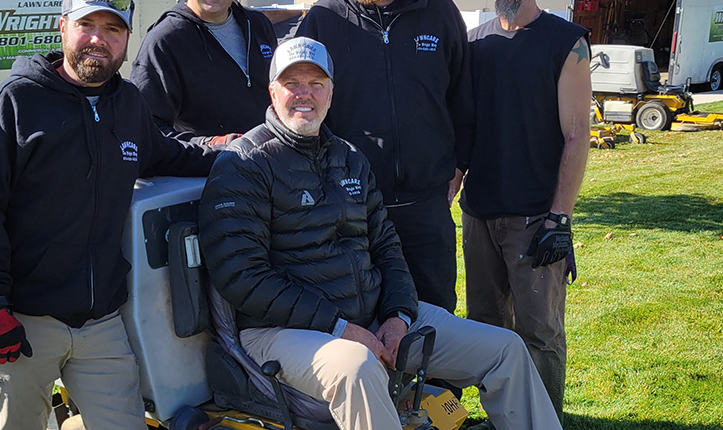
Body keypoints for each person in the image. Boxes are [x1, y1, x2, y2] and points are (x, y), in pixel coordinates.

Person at [199, 37, 562, 430]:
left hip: (372, 319)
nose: (305, 94)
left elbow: (387, 247)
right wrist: (341, 328)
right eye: (293, 83)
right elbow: (241, 276)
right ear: (273, 92)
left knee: (504, 348)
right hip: (280, 333)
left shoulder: (349, 158)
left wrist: (399, 315)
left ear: (331, 94)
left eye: (316, 83)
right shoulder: (244, 164)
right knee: (357, 366)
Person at [0, 0, 218, 430]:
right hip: (23, 318)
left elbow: (169, 154)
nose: (98, 39)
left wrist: (230, 152)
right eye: (87, 25)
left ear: (127, 39)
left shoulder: (127, 104)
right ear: (63, 28)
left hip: (100, 323)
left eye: (113, 29)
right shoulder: (15, 102)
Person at [296, 0, 472, 312]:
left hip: (427, 204)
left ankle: (434, 381)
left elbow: (463, 97)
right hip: (351, 207)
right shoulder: (323, 19)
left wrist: (459, 165)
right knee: (362, 316)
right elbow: (303, 109)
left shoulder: (439, 10)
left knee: (436, 314)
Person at [459, 0, 592, 422]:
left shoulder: (565, 42)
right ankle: (502, 416)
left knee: (539, 334)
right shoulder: (474, 44)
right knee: (487, 328)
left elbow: (578, 134)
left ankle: (542, 419)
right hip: (480, 214)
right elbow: (464, 130)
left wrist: (560, 218)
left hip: (537, 217)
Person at [130, 0, 278, 146]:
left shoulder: (257, 25)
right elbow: (147, 130)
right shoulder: (165, 40)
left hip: (271, 167)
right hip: (206, 175)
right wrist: (215, 144)